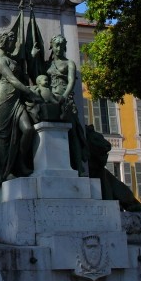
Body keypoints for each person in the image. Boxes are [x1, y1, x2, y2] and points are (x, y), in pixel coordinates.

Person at [0, 30, 41, 191]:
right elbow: (12, 79)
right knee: (4, 136)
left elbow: (22, 75)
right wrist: (29, 92)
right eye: (11, 42)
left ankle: (19, 163)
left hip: (16, 97)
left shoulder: (10, 59)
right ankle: (5, 171)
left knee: (28, 130)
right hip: (3, 96)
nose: (14, 45)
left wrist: (32, 56)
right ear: (2, 42)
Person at [46, 34, 89, 175]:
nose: (58, 48)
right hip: (51, 98)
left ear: (65, 46)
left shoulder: (69, 63)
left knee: (73, 133)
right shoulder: (48, 64)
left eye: (61, 45)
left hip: (65, 98)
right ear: (51, 46)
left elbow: (71, 81)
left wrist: (64, 96)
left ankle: (79, 166)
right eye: (56, 45)